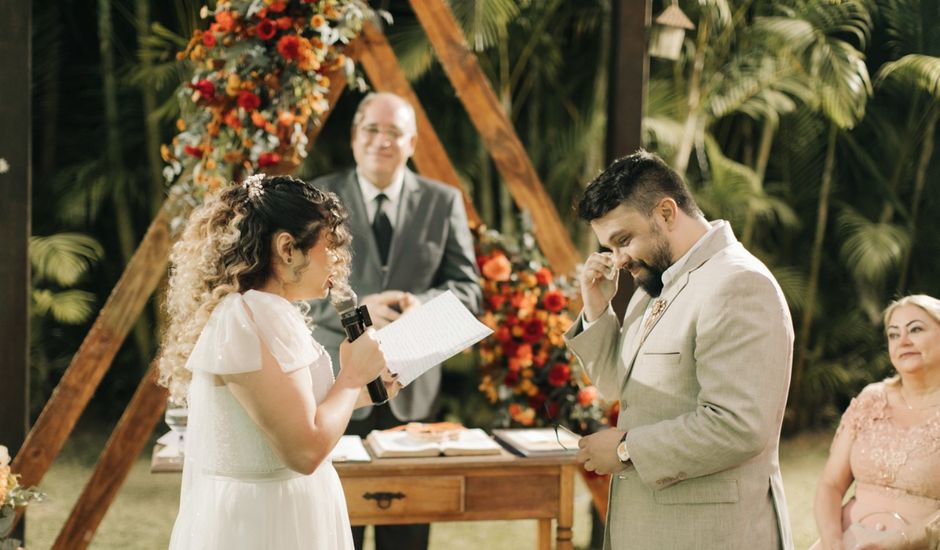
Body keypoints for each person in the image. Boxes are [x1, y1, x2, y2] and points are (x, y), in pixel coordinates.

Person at [565, 150, 794, 549]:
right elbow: (616, 386)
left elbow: (738, 425)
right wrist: (596, 308)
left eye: (624, 240)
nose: (618, 260)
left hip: (714, 535)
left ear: (666, 213)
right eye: (609, 247)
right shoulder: (652, 287)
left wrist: (624, 449)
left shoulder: (738, 284)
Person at [159, 174, 400, 550]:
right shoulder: (248, 317)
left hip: (287, 510)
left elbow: (293, 418)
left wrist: (365, 389)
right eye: (331, 246)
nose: (339, 261)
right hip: (264, 523)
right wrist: (352, 377)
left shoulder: (266, 312)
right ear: (288, 248)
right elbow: (303, 451)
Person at [306, 91, 482, 550]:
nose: (381, 141)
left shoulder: (444, 201)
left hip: (413, 392)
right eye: (371, 129)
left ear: (412, 142)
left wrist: (421, 305)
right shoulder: (317, 199)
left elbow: (469, 289)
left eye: (394, 132)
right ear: (353, 136)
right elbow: (292, 290)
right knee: (332, 532)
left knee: (405, 539)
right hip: (335, 386)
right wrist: (357, 310)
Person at [813, 294, 940, 550]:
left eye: (915, 329)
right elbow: (830, 484)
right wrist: (833, 542)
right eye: (893, 334)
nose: (903, 341)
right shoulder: (871, 398)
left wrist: (905, 541)